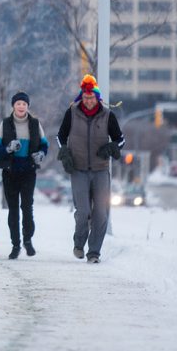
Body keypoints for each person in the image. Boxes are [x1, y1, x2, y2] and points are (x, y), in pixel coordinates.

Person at [56, 74, 125, 264]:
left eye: (91, 97)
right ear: (81, 97)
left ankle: (94, 252)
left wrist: (112, 147)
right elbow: (60, 136)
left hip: (101, 169)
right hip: (78, 170)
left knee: (101, 212)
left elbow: (121, 139)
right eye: (85, 97)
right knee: (83, 211)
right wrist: (64, 152)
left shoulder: (107, 115)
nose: (88, 100)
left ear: (97, 97)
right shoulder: (72, 112)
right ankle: (79, 243)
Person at [0, 91, 49, 259]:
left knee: (27, 207)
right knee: (13, 210)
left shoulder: (35, 124)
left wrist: (41, 154)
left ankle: (28, 240)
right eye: (18, 104)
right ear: (13, 106)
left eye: (24, 104)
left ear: (27, 106)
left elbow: (44, 145)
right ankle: (15, 245)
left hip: (29, 170)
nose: (21, 107)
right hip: (10, 171)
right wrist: (8, 148)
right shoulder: (5, 124)